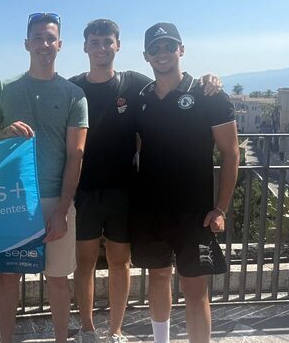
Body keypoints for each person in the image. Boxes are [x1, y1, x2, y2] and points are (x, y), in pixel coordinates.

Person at [69, 19, 222, 342]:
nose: (101, 48)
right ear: (85, 47)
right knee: (86, 264)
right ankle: (87, 330)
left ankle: (115, 331)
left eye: (107, 41)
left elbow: (171, 85)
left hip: (129, 193)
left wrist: (209, 79)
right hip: (88, 192)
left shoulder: (134, 85)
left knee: (122, 264)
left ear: (118, 46)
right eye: (94, 42)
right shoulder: (73, 88)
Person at [0, 13, 88, 343]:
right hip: (13, 199)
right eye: (37, 37)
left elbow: (76, 155)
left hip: (56, 199)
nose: (44, 44)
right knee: (9, 278)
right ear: (26, 44)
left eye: (50, 38)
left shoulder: (74, 94)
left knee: (57, 279)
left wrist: (62, 210)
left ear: (60, 44)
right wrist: (4, 133)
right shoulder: (5, 88)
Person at [131, 22, 239, 343]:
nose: (162, 53)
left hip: (195, 213)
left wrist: (220, 208)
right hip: (151, 211)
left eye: (169, 46)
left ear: (182, 49)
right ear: (146, 56)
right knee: (158, 278)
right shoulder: (142, 99)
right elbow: (139, 148)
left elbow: (231, 153)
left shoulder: (209, 95)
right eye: (155, 48)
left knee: (195, 289)